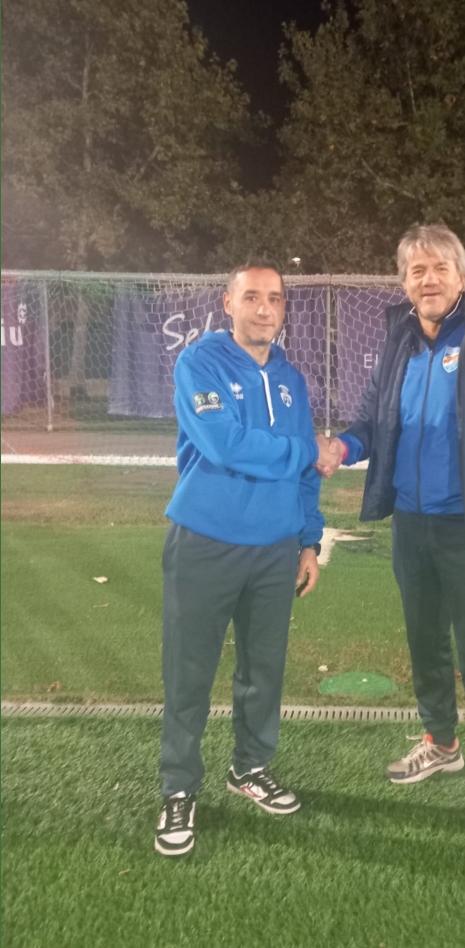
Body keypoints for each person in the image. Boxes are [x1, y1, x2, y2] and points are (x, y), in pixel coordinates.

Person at [316, 225, 465, 834]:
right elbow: (374, 420)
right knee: (425, 641)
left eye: (439, 268)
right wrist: (343, 446)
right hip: (412, 525)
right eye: (416, 270)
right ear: (404, 282)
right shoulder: (399, 339)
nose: (428, 279)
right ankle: (442, 742)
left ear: (462, 276)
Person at [155, 260, 325, 857]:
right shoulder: (199, 363)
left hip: (276, 551)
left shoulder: (291, 378)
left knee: (263, 671)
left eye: (274, 298)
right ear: (228, 304)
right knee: (189, 672)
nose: (264, 308)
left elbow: (307, 475)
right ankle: (179, 787)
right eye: (251, 297)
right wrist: (308, 449)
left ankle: (250, 767)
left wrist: (309, 539)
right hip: (206, 543)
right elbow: (224, 444)